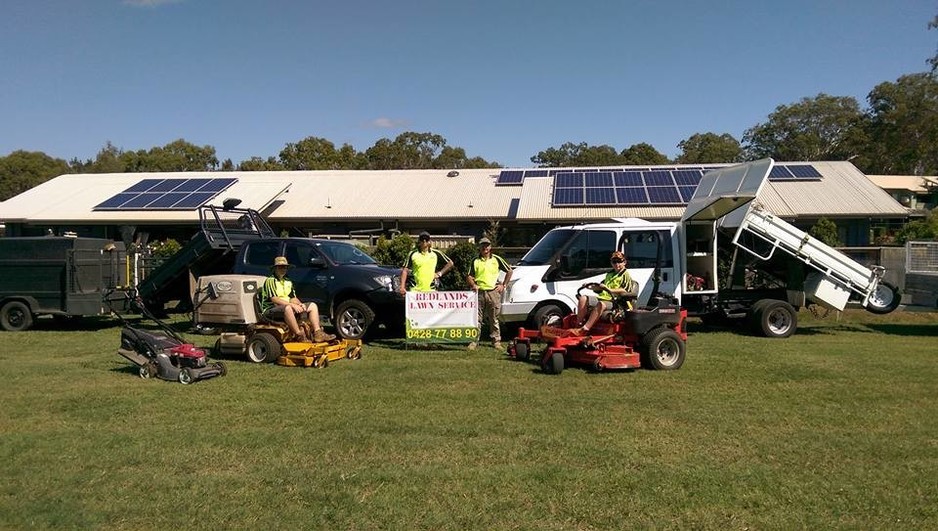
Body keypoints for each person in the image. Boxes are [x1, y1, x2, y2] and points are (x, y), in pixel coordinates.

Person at [260, 256, 335, 343]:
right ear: (275, 268)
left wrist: (299, 304)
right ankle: (299, 335)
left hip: (287, 306)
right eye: (280, 267)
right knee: (287, 308)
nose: (283, 269)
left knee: (312, 305)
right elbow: (274, 299)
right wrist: (291, 305)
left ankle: (318, 333)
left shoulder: (287, 280)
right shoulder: (270, 280)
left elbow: (292, 297)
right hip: (271, 309)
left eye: (285, 267)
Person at [466, 237, 513, 350]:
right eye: (483, 245)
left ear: (490, 247)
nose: (485, 248)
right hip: (479, 293)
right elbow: (469, 276)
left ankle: (496, 341)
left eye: (487, 245)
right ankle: (474, 341)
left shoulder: (496, 259)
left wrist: (503, 285)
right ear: (479, 247)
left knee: (494, 318)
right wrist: (473, 284)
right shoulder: (475, 260)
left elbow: (509, 270)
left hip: (493, 292)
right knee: (476, 318)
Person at [573, 251, 634, 335]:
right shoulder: (609, 274)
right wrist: (590, 287)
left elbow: (625, 290)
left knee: (601, 304)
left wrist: (609, 290)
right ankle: (578, 325)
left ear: (624, 262)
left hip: (616, 302)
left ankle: (585, 329)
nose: (617, 264)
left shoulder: (625, 275)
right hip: (604, 298)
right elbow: (601, 288)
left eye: (619, 261)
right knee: (583, 298)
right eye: (614, 262)